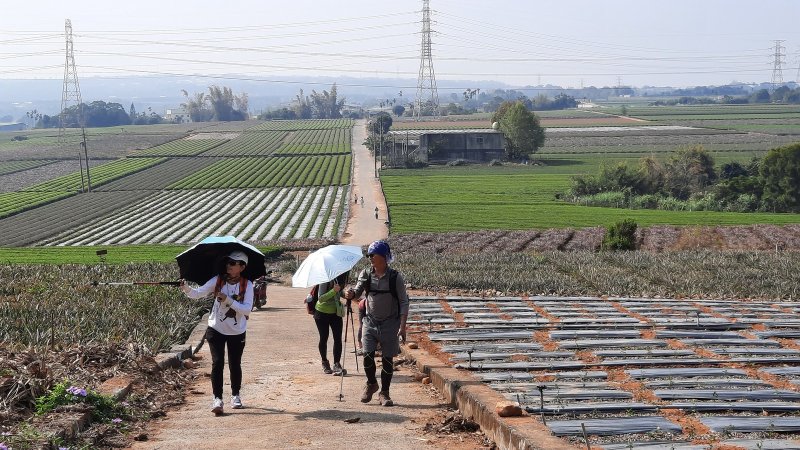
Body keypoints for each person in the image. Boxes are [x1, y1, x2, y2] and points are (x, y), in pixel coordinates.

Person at [180, 250, 254, 416]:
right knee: (217, 362)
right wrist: (186, 288)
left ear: (242, 267)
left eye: (233, 263)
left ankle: (235, 396)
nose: (229, 265)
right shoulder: (218, 280)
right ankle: (217, 399)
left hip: (237, 331)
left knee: (235, 363)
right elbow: (197, 293)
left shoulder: (247, 285)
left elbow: (246, 309)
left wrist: (227, 300)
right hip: (216, 328)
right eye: (228, 262)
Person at [345, 240, 408, 407]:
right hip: (370, 322)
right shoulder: (365, 274)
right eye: (369, 255)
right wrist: (350, 294)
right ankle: (371, 383)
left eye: (373, 255)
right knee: (367, 355)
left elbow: (404, 302)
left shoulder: (395, 277)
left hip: (390, 323)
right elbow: (357, 292)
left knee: (387, 359)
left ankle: (384, 393)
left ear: (383, 257)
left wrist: (402, 326)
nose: (370, 258)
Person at [306, 272, 348, 376]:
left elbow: (339, 293)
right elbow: (321, 298)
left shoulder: (339, 278)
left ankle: (337, 364)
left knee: (338, 338)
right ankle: (325, 362)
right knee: (324, 337)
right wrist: (334, 291)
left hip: (336, 313)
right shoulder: (324, 280)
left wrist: (347, 294)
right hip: (322, 313)